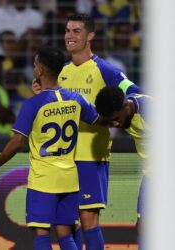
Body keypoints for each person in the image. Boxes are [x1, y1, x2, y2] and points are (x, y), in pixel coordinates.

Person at [0, 46, 101, 250]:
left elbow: (17, 142)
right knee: (65, 234)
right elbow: (97, 118)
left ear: (40, 70)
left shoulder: (33, 104)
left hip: (44, 180)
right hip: (69, 178)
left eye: (34, 64)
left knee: (41, 234)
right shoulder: (75, 99)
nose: (33, 68)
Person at [57, 13, 140, 249]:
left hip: (91, 157)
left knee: (87, 219)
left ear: (90, 35)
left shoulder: (106, 70)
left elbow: (134, 92)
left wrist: (116, 118)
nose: (69, 36)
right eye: (67, 30)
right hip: (62, 159)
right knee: (63, 222)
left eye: (76, 31)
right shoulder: (61, 73)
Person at [94, 86, 150, 250]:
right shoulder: (120, 107)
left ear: (126, 106)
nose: (115, 124)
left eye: (117, 118)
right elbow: (121, 80)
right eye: (112, 121)